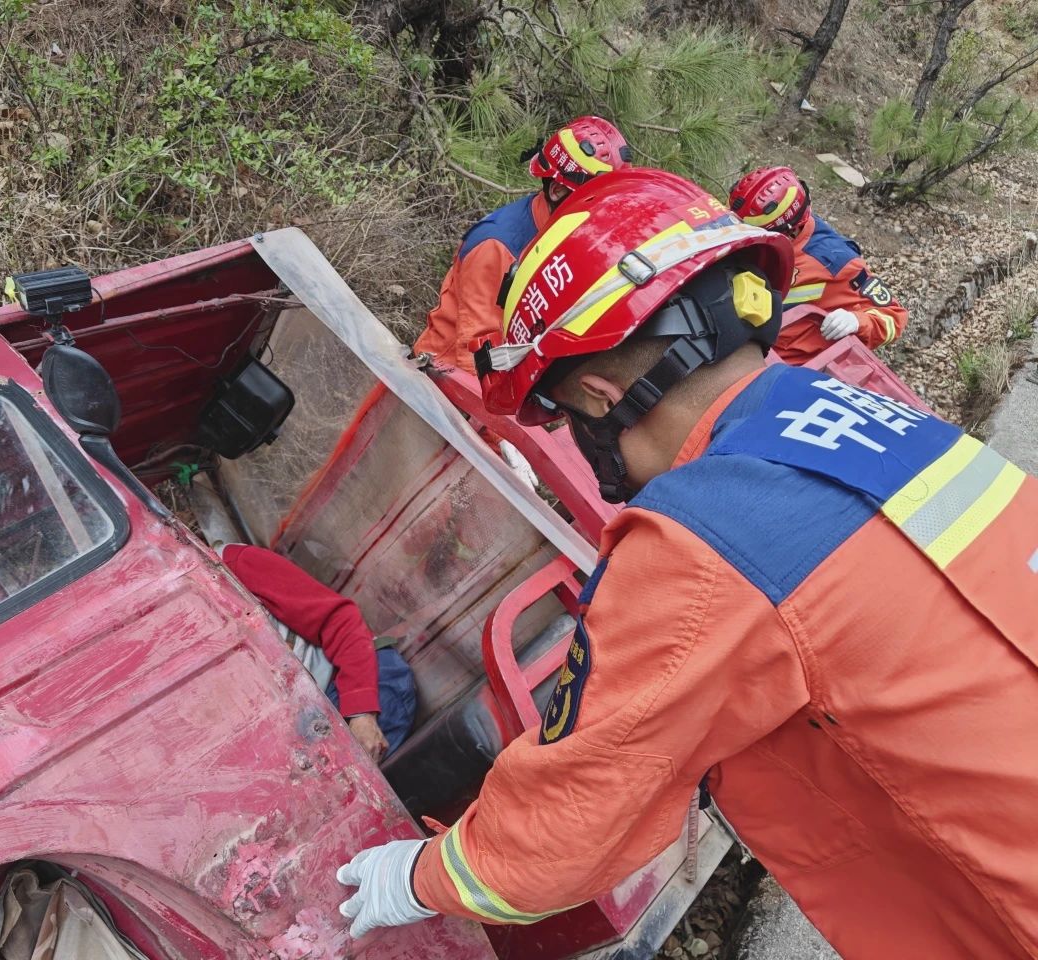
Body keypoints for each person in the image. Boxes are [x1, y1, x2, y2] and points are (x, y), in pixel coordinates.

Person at [337, 169, 1038, 959]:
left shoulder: (704, 536)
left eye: (564, 419)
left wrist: (416, 877)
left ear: (599, 398)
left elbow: (565, 826)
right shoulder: (890, 428)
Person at [188, 480, 416, 763]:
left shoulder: (231, 568)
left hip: (354, 683)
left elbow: (340, 621)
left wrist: (361, 713)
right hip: (304, 724)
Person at [411, 115, 631, 374]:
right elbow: (478, 358)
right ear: (557, 191)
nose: (598, 216)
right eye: (592, 202)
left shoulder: (564, 234)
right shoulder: (498, 248)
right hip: (444, 378)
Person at [728, 165, 908, 365]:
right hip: (738, 330)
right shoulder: (767, 231)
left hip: (778, 359)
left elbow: (894, 316)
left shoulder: (835, 261)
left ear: (786, 231)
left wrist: (857, 321)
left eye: (753, 234)